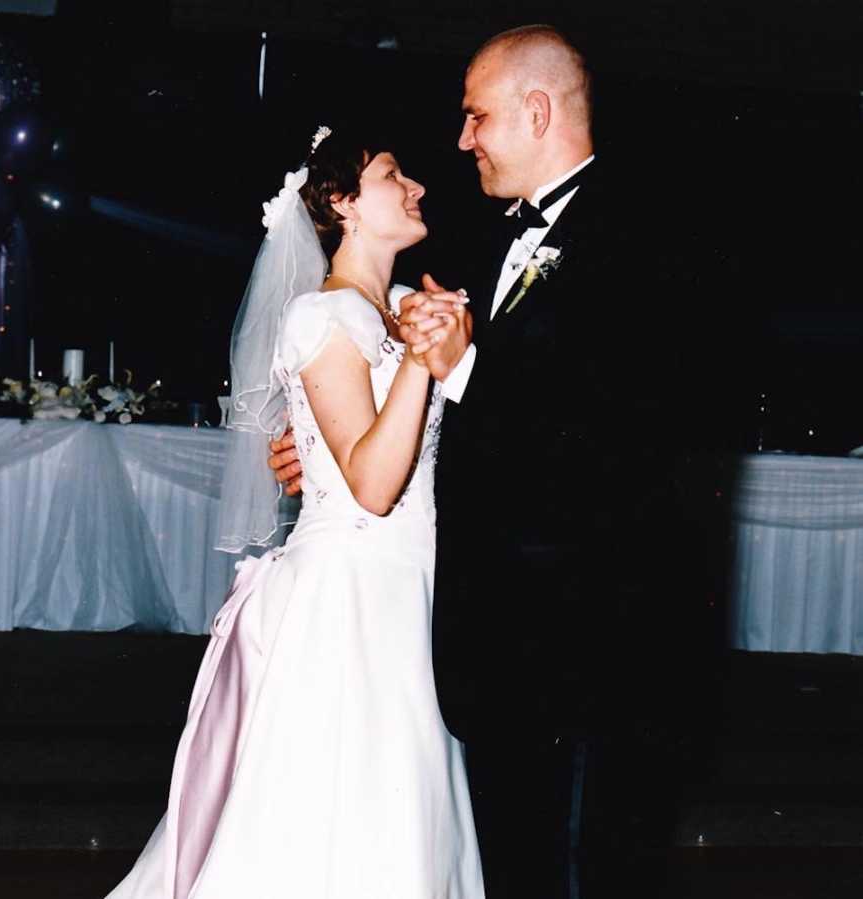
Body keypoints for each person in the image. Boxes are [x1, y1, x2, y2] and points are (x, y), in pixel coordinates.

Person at [272, 24, 731, 899]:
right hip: (495, 650)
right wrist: (327, 450)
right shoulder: (485, 246)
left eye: (476, 117)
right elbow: (446, 422)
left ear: (537, 109)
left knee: (581, 872)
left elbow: (628, 437)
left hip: (597, 651)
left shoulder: (652, 234)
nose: (461, 139)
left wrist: (465, 366)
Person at [106, 128, 484, 899]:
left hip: (415, 590)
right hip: (348, 597)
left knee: (408, 815)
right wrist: (417, 359)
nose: (415, 186)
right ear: (343, 203)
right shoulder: (321, 319)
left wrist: (437, 343)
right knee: (338, 822)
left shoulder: (417, 305)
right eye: (391, 174)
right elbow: (372, 488)